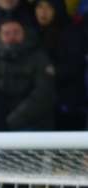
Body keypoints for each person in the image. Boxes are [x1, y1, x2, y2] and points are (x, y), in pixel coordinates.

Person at [0, 19, 55, 130]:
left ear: (24, 34)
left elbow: (43, 94)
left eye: (16, 32)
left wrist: (13, 119)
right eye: (6, 33)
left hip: (32, 122)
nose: (12, 37)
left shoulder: (39, 57)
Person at [33, 0, 86, 130]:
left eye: (49, 8)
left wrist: (54, 71)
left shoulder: (72, 33)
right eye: (40, 7)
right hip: (38, 103)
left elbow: (76, 64)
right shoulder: (31, 33)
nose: (43, 12)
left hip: (66, 103)